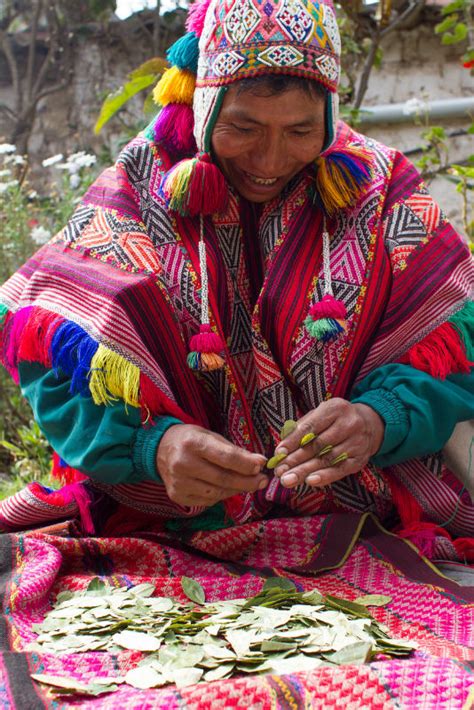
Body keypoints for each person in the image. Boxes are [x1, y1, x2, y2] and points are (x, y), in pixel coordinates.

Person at [0, 0, 473, 555]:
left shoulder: (380, 192)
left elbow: (456, 350)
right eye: (242, 127)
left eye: (300, 130)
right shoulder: (134, 197)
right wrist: (153, 447)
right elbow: (53, 361)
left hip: (363, 514)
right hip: (171, 521)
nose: (270, 159)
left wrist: (379, 418)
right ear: (204, 107)